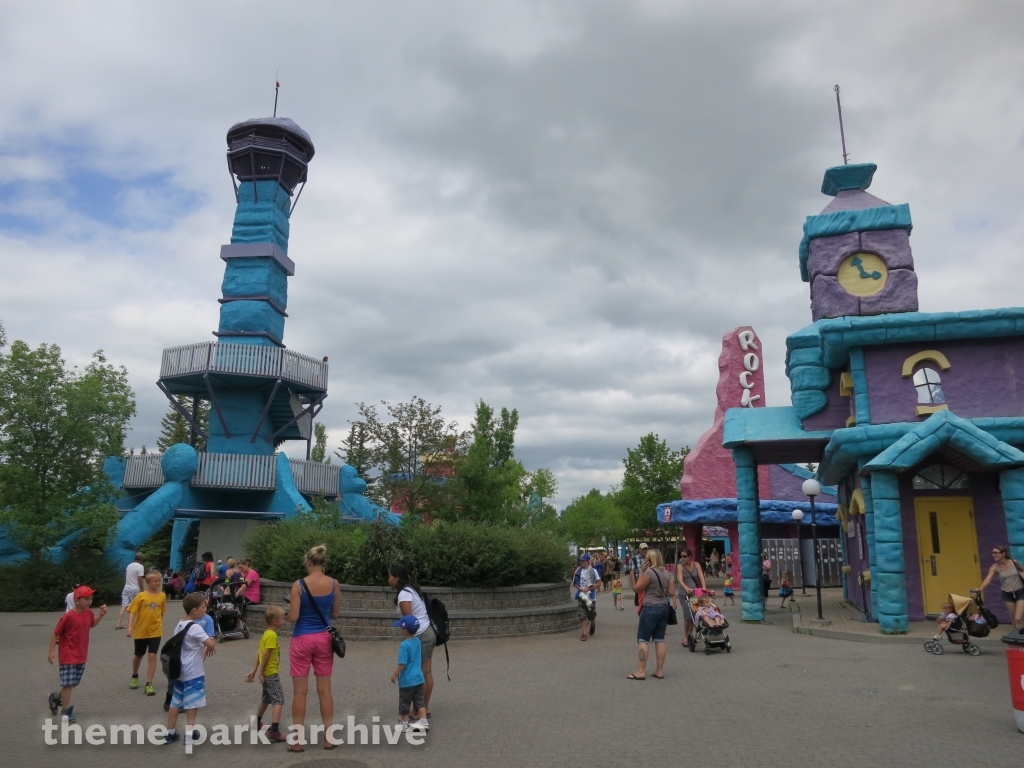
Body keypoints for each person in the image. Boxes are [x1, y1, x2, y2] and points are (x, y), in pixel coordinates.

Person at [287, 544, 341, 752]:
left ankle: (298, 741)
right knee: (325, 690)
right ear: (323, 563)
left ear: (308, 562)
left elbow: (294, 617)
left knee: (300, 693)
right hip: (324, 640)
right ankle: (328, 739)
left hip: (301, 638)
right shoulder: (334, 584)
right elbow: (335, 614)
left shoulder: (298, 585)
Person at [163, 593, 217, 749]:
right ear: (194, 610)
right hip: (193, 671)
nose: (205, 610)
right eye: (203, 608)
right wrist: (211, 641)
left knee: (175, 702)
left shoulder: (180, 624)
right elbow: (210, 644)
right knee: (192, 704)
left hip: (179, 669)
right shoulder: (196, 627)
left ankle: (171, 732)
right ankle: (189, 734)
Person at [47, 585, 107, 723]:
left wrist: (101, 616)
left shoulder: (89, 613)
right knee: (68, 683)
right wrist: (51, 652)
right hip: (67, 654)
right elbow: (55, 633)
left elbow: (92, 624)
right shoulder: (68, 617)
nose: (89, 601)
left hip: (81, 654)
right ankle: (66, 711)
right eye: (86, 599)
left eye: (91, 598)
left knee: (73, 682)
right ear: (77, 600)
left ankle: (55, 697)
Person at [388, 564, 437, 717]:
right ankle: (423, 708)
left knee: (419, 672)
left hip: (421, 635)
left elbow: (410, 622)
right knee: (426, 671)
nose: (388, 580)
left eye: (390, 576)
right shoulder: (411, 589)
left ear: (397, 578)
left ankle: (418, 709)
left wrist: (409, 642)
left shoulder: (404, 594)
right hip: (428, 633)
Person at [628, 548, 675, 680]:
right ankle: (659, 671)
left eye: (646, 557)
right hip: (664, 608)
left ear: (650, 559)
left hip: (650, 608)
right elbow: (671, 592)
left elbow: (637, 588)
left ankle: (640, 671)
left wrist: (642, 572)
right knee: (659, 639)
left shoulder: (648, 572)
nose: (644, 559)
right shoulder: (666, 572)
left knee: (643, 639)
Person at [245, 605, 288, 743]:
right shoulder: (272, 635)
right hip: (271, 673)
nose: (284, 621)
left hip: (267, 673)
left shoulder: (266, 633)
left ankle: (257, 722)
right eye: (282, 619)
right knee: (279, 700)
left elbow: (259, 652)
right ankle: (274, 731)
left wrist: (254, 670)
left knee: (266, 698)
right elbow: (265, 654)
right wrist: (261, 672)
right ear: (275, 621)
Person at [126, 570, 167, 695]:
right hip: (141, 631)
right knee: (139, 655)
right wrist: (130, 626)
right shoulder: (141, 596)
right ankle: (135, 675)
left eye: (159, 581)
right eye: (155, 581)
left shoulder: (162, 596)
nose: (158, 583)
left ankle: (149, 683)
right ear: (148, 583)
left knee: (152, 656)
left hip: (155, 631)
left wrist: (158, 624)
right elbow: (133, 611)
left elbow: (161, 613)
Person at [390, 614, 430, 733]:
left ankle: (404, 723)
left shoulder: (404, 645)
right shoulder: (417, 640)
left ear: (404, 630)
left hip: (407, 680)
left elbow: (402, 663)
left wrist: (395, 674)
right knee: (419, 701)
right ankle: (424, 721)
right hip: (418, 678)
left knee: (405, 703)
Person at [979, 545, 1024, 629]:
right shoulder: (994, 567)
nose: (993, 555)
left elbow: (1022, 569)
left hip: (1020, 592)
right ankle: (1015, 639)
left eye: (996, 552)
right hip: (1007, 594)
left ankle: (1021, 636)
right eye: (992, 553)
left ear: (1003, 554)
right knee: (1014, 620)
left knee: (1018, 618)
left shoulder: (1013, 562)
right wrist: (981, 588)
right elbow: (988, 579)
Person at [674, 548, 706, 644]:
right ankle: (685, 635)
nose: (682, 558)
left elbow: (701, 576)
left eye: (684, 556)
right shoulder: (680, 566)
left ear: (690, 556)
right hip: (684, 593)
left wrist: (704, 587)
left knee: (694, 615)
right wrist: (686, 588)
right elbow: (680, 579)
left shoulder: (696, 565)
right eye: (681, 556)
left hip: (695, 593)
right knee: (687, 615)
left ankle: (690, 635)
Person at [573, 553, 600, 641]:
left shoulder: (593, 571)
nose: (581, 562)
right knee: (582, 614)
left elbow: (599, 583)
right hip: (581, 595)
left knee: (591, 614)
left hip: (591, 596)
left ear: (588, 561)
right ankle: (584, 633)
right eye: (581, 560)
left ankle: (592, 623)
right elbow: (574, 583)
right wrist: (580, 588)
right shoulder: (578, 570)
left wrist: (590, 588)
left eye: (583, 561)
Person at [116, 552, 146, 629]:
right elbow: (140, 579)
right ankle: (135, 623)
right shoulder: (140, 567)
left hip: (126, 587)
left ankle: (118, 623)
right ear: (141, 559)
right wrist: (142, 589)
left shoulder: (129, 566)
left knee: (124, 605)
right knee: (136, 606)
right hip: (135, 588)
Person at [628, 543, 649, 608]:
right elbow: (632, 573)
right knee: (641, 604)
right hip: (639, 584)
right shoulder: (634, 559)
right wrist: (634, 585)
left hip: (649, 584)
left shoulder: (650, 558)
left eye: (645, 549)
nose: (644, 551)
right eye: (643, 549)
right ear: (639, 550)